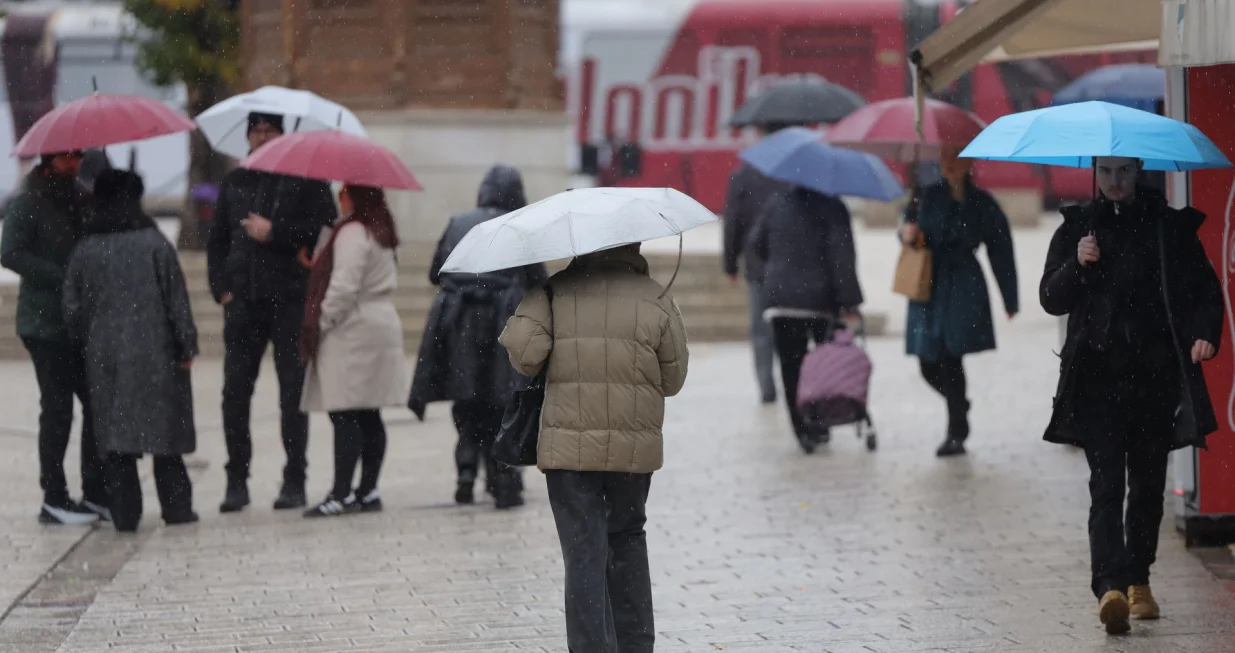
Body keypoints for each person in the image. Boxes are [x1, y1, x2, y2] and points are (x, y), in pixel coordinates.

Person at [1040, 156, 1222, 635]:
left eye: (1123, 170)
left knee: (1146, 484)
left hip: (1154, 379)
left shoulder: (1167, 227)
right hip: (1097, 380)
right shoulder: (1078, 229)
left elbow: (1205, 288)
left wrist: (1206, 332)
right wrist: (1077, 264)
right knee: (1106, 484)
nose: (1115, 181)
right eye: (1106, 171)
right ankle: (1110, 587)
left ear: (1138, 168)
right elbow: (1051, 297)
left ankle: (1138, 578)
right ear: (1095, 172)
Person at [500, 243, 688, 653]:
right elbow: (673, 380)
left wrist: (534, 302)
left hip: (568, 450)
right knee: (628, 537)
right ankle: (636, 644)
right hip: (632, 448)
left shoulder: (554, 291)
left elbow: (525, 356)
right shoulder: (654, 296)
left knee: (583, 550)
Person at [208, 112, 336, 513]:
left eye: (270, 130)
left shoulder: (307, 179)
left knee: (292, 393)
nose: (262, 137)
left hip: (289, 299)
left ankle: (295, 478)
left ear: (284, 134)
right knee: (235, 393)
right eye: (256, 131)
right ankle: (236, 480)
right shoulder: (236, 181)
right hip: (243, 302)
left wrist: (276, 231)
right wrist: (221, 288)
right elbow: (217, 240)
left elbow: (325, 230)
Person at [62, 170, 199, 532]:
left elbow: (71, 309)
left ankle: (125, 514)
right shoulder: (155, 243)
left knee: (117, 443)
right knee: (165, 438)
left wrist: (87, 341)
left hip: (105, 359)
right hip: (158, 354)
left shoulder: (86, 249)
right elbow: (177, 300)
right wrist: (186, 343)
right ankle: (177, 509)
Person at [409, 165, 546, 509]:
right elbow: (538, 281)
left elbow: (435, 273)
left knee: (467, 398)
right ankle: (503, 476)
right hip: (502, 321)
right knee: (501, 401)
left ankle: (467, 467)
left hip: (460, 324)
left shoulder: (459, 223)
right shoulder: (519, 227)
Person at [0, 150, 107, 525]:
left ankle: (95, 492)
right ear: (49, 159)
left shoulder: (78, 197)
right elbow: (9, 252)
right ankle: (54, 497)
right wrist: (61, 276)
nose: (74, 163)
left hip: (77, 322)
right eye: (67, 158)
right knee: (58, 409)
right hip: (44, 324)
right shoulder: (29, 200)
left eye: (78, 156)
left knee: (94, 404)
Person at [300, 184, 409, 518]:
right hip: (379, 323)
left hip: (353, 330)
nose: (339, 197)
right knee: (368, 412)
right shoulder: (381, 230)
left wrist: (321, 322)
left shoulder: (353, 233)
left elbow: (344, 287)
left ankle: (341, 493)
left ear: (358, 196)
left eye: (345, 191)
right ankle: (368, 489)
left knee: (345, 412)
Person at [900, 147, 1018, 457]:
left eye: (957, 158)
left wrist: (1010, 297)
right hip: (929, 282)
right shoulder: (925, 195)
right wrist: (907, 233)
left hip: (964, 284)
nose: (950, 164)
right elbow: (908, 227)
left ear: (970, 162)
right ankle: (959, 405)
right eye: (946, 158)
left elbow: (1001, 249)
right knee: (927, 361)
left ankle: (956, 432)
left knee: (950, 355)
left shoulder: (982, 203)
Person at [747, 186, 862, 453]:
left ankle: (802, 429)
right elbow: (842, 257)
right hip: (820, 302)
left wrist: (777, 268)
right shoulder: (833, 206)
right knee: (823, 365)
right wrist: (850, 301)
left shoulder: (776, 202)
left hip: (782, 301)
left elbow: (755, 243)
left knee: (791, 367)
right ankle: (820, 421)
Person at [722, 124, 794, 404]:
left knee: (761, 330)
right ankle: (792, 383)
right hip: (791, 266)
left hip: (758, 266)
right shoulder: (794, 174)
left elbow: (732, 224)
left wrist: (730, 264)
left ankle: (767, 387)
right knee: (788, 328)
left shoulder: (743, 176)